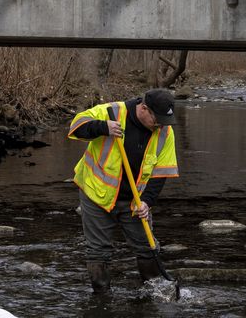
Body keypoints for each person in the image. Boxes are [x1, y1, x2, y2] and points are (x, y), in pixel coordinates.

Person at [67, 88, 180, 293]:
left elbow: (161, 172)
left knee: (147, 248)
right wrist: (102, 127)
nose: (161, 125)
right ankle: (101, 298)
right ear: (144, 109)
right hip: (96, 195)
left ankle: (155, 293)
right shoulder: (111, 112)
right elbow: (76, 127)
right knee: (98, 251)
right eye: (158, 120)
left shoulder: (165, 132)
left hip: (134, 201)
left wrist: (146, 201)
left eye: (165, 121)